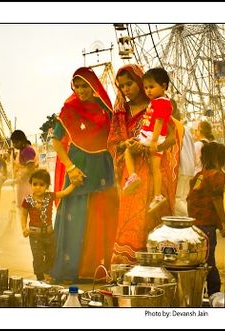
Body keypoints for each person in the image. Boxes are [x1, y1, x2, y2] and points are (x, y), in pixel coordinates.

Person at [107, 64, 180, 264]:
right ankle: (128, 266)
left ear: (140, 81)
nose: (126, 89)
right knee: (131, 220)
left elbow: (173, 138)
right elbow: (112, 144)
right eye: (122, 86)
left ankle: (155, 266)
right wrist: (126, 144)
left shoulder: (159, 105)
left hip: (155, 170)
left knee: (152, 220)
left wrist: (151, 146)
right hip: (132, 177)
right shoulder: (121, 113)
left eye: (129, 83)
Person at [51, 67, 119, 282]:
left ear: (94, 86)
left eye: (85, 86)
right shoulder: (69, 108)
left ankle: (98, 269)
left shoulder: (106, 109)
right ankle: (72, 270)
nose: (81, 90)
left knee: (101, 216)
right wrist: (70, 168)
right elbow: (56, 141)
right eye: (77, 86)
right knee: (76, 216)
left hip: (103, 167)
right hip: (78, 167)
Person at [122, 67, 173, 212]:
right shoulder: (160, 101)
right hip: (153, 137)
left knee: (128, 151)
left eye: (151, 87)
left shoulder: (160, 102)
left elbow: (159, 122)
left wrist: (154, 142)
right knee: (155, 169)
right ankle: (158, 196)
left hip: (151, 137)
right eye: (146, 87)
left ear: (163, 86)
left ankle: (133, 176)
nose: (148, 91)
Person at [187, 142, 225, 297]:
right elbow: (217, 200)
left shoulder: (200, 174)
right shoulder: (218, 175)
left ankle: (196, 292)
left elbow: (190, 197)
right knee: (209, 263)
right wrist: (224, 223)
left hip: (194, 225)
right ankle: (214, 295)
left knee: (198, 262)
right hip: (207, 226)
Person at [20, 169, 75, 281]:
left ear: (47, 186)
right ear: (31, 184)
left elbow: (64, 193)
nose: (38, 187)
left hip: (49, 234)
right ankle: (40, 278)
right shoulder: (28, 200)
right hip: (34, 235)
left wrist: (74, 184)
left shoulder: (49, 196)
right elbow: (24, 215)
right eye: (35, 184)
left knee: (52, 255)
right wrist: (24, 228)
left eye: (41, 184)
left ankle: (47, 273)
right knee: (38, 256)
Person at [10, 130, 38, 210]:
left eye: (16, 143)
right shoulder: (22, 150)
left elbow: (30, 168)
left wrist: (19, 179)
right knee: (23, 208)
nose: (14, 145)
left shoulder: (27, 150)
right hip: (23, 183)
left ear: (22, 140)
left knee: (28, 208)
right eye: (13, 143)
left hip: (28, 184)